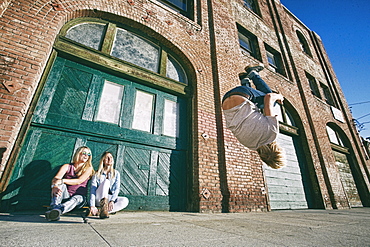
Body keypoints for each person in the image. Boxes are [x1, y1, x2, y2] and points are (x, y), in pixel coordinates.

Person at [222, 63, 286, 169]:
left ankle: (254, 74)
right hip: (225, 100)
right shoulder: (249, 145)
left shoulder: (272, 133)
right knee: (259, 106)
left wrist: (279, 96)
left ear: (278, 150)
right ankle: (245, 80)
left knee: (271, 101)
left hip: (243, 94)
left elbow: (268, 97)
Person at [45, 146, 94, 221]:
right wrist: (54, 186)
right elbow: (56, 178)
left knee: (76, 198)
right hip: (66, 195)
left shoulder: (89, 168)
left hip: (80, 198)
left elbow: (79, 181)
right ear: (78, 153)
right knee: (60, 185)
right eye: (84, 153)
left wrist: (62, 180)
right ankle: (54, 208)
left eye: (89, 154)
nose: (86, 155)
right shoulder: (67, 166)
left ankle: (58, 210)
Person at [89, 151, 129, 219]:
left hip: (109, 198)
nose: (109, 159)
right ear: (103, 160)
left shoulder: (116, 173)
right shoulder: (97, 174)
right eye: (107, 157)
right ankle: (102, 208)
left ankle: (101, 212)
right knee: (106, 182)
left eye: (111, 157)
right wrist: (92, 205)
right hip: (99, 198)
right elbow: (93, 190)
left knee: (125, 200)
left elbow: (117, 188)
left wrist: (112, 200)